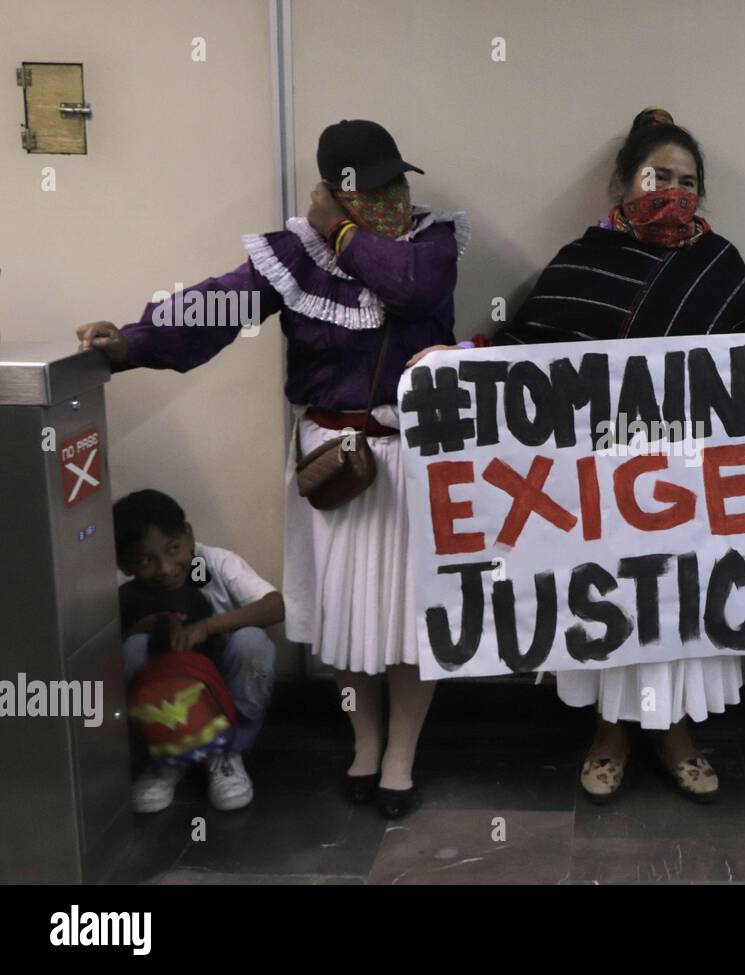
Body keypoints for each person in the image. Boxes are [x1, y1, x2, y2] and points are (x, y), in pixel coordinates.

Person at [76, 120, 467, 819]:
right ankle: (367, 741)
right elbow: (215, 308)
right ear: (336, 190)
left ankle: (403, 751)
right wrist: (131, 342)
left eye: (396, 182)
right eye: (370, 187)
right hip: (332, 463)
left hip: (414, 454)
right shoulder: (294, 257)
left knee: (412, 615)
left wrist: (344, 234)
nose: (390, 196)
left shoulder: (432, 243)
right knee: (348, 617)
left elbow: (410, 292)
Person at [407, 107, 745, 804]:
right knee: (617, 594)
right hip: (605, 482)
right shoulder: (582, 260)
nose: (673, 191)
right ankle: (611, 730)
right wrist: (458, 363)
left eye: (687, 181)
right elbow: (530, 353)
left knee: (679, 596)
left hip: (691, 479)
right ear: (623, 183)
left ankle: (674, 732)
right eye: (657, 176)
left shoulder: (718, 264)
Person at [114, 489, 283, 813]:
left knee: (252, 642)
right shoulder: (124, 594)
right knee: (131, 648)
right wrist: (137, 630)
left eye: (173, 549)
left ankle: (227, 752)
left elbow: (276, 606)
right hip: (164, 698)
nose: (165, 568)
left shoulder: (216, 563)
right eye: (146, 560)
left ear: (189, 536)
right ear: (124, 564)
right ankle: (164, 756)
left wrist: (207, 627)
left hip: (222, 690)